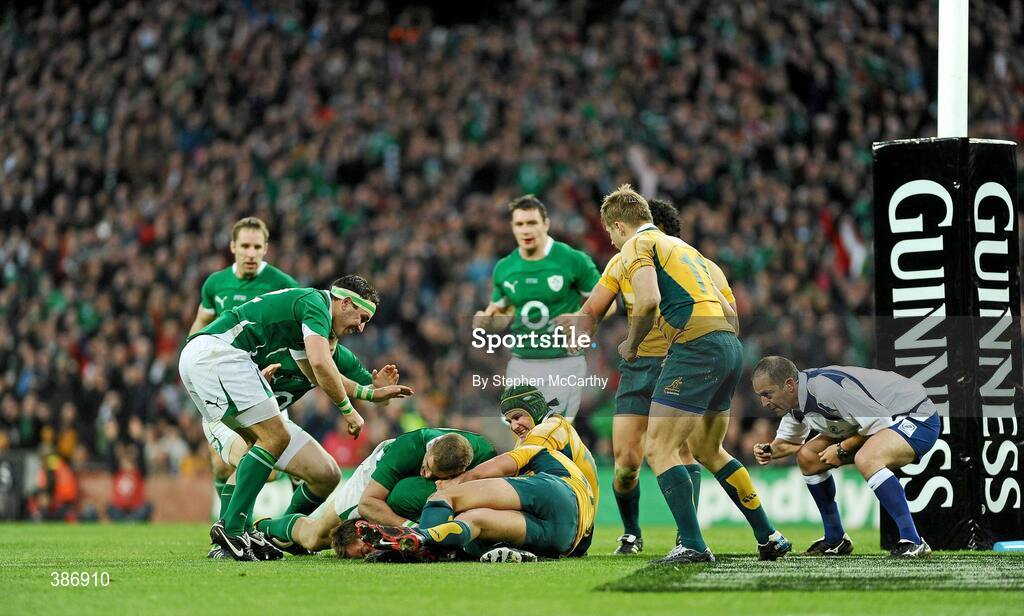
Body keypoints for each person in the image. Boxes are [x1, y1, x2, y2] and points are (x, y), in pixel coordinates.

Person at [601, 184, 789, 564]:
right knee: (708, 450)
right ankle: (769, 535)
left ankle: (692, 543)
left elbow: (650, 300)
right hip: (728, 346)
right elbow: (729, 311)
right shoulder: (694, 254)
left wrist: (633, 343)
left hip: (697, 347)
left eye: (609, 233)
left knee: (658, 447)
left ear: (619, 226)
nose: (612, 240)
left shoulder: (637, 246)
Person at [179, 276, 374, 560]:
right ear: (345, 302)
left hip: (210, 359)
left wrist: (376, 390)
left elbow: (335, 374)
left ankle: (256, 533)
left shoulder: (307, 340)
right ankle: (232, 529)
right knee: (273, 439)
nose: (361, 327)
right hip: (218, 355)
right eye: (362, 317)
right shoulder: (315, 304)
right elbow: (320, 365)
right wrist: (349, 411)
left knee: (312, 466)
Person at [204, 334, 413, 558]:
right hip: (231, 411)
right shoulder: (276, 342)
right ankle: (225, 541)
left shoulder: (340, 357)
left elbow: (374, 393)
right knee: (261, 464)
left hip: (273, 419)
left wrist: (381, 391)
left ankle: (281, 536)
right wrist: (254, 381)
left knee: (327, 475)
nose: (360, 326)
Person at [751, 356, 941, 558]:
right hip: (879, 422)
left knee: (867, 458)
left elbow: (880, 420)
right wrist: (769, 450)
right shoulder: (795, 404)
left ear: (789, 385)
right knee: (808, 457)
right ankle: (836, 539)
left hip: (914, 416)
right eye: (760, 396)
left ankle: (913, 540)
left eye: (767, 394)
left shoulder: (825, 389)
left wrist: (842, 448)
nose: (764, 403)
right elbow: (790, 444)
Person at [187, 216, 299, 544]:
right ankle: (235, 532)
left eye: (257, 247)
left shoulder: (282, 283)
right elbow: (200, 325)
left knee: (272, 463)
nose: (251, 253)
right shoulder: (215, 284)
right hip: (221, 381)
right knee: (222, 465)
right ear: (232, 247)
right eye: (245, 246)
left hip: (266, 384)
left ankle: (247, 528)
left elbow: (293, 336)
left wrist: (278, 368)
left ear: (266, 249)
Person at [255, 429, 495, 555]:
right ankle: (262, 527)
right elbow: (368, 504)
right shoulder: (409, 448)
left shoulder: (484, 455)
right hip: (374, 478)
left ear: (462, 469)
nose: (427, 475)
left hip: (432, 485)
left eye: (436, 474)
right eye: (427, 466)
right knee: (317, 537)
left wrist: (464, 482)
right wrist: (415, 533)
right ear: (430, 451)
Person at [473, 195, 601, 420]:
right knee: (520, 434)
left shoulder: (573, 260)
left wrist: (581, 317)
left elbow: (607, 304)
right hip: (521, 363)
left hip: (563, 363)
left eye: (531, 223)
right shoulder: (505, 267)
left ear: (546, 224)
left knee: (550, 435)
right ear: (512, 227)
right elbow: (502, 314)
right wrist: (486, 320)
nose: (525, 230)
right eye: (519, 224)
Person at [357, 443, 595, 563]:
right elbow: (583, 545)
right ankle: (424, 539)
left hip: (560, 493)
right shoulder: (582, 481)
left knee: (442, 497)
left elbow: (481, 474)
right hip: (565, 539)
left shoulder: (537, 451)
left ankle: (424, 546)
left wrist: (454, 485)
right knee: (473, 521)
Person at [446, 384, 598, 557]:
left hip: (569, 524)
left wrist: (459, 483)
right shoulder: (547, 431)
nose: (514, 426)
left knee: (482, 506)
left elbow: (508, 475)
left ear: (535, 409)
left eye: (518, 417)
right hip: (576, 529)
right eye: (509, 421)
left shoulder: (549, 429)